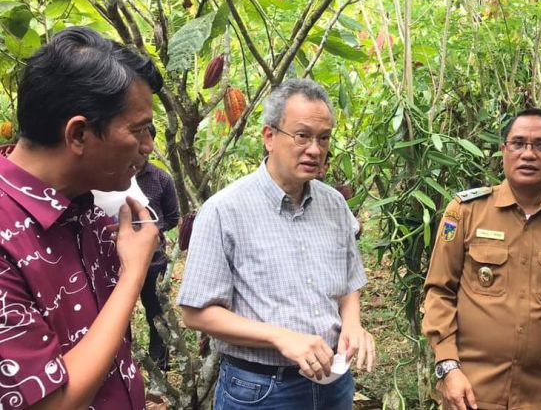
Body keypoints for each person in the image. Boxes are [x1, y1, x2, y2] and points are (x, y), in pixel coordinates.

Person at [178, 78, 375, 410]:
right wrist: (279, 337)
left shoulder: (334, 204)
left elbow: (349, 283)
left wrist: (353, 324)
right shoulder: (224, 210)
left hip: (333, 382)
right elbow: (196, 314)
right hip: (260, 389)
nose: (315, 149)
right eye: (302, 136)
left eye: (323, 138)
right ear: (269, 136)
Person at [0, 26, 162, 408]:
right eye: (139, 130)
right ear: (78, 135)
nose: (149, 146)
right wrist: (133, 274)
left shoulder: (84, 203)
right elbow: (51, 403)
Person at [423, 108, 541, 410]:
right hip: (469, 392)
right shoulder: (465, 211)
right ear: (504, 150)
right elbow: (439, 292)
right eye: (518, 143)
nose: (528, 154)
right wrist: (448, 367)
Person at [136, 124, 180, 371]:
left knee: (156, 313)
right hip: (116, 260)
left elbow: (172, 217)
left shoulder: (161, 179)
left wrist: (152, 230)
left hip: (153, 260)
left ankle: (159, 366)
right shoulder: (111, 176)